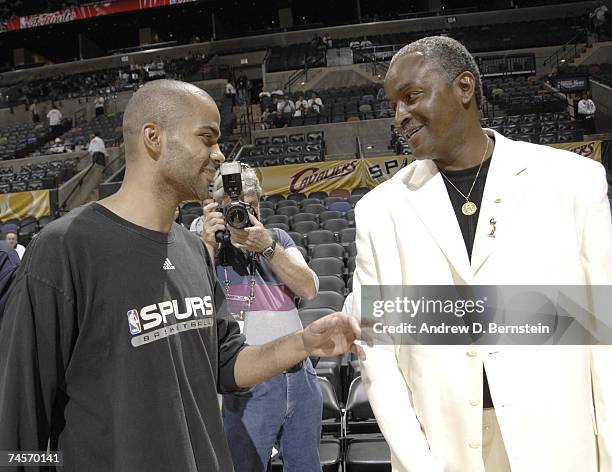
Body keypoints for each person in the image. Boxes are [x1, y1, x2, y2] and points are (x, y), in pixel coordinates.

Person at [0, 79, 363, 472]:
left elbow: (229, 364)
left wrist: (303, 342)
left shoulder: (190, 251)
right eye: (206, 139)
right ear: (153, 138)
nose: (219, 154)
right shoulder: (63, 248)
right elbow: (17, 431)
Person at [351, 36, 612, 472]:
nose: (400, 116)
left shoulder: (572, 181)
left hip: (561, 443)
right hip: (445, 450)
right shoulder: (379, 211)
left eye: (412, 97)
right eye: (392, 104)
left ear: (464, 87)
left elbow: (603, 330)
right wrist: (419, 463)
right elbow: (378, 355)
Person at [202, 165, 322, 472]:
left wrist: (268, 247)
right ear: (219, 208)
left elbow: (308, 288)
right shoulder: (208, 245)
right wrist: (208, 246)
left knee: (306, 466)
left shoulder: (278, 238)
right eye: (235, 206)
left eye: (251, 204)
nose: (244, 212)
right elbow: (191, 297)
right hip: (248, 382)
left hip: (299, 376)